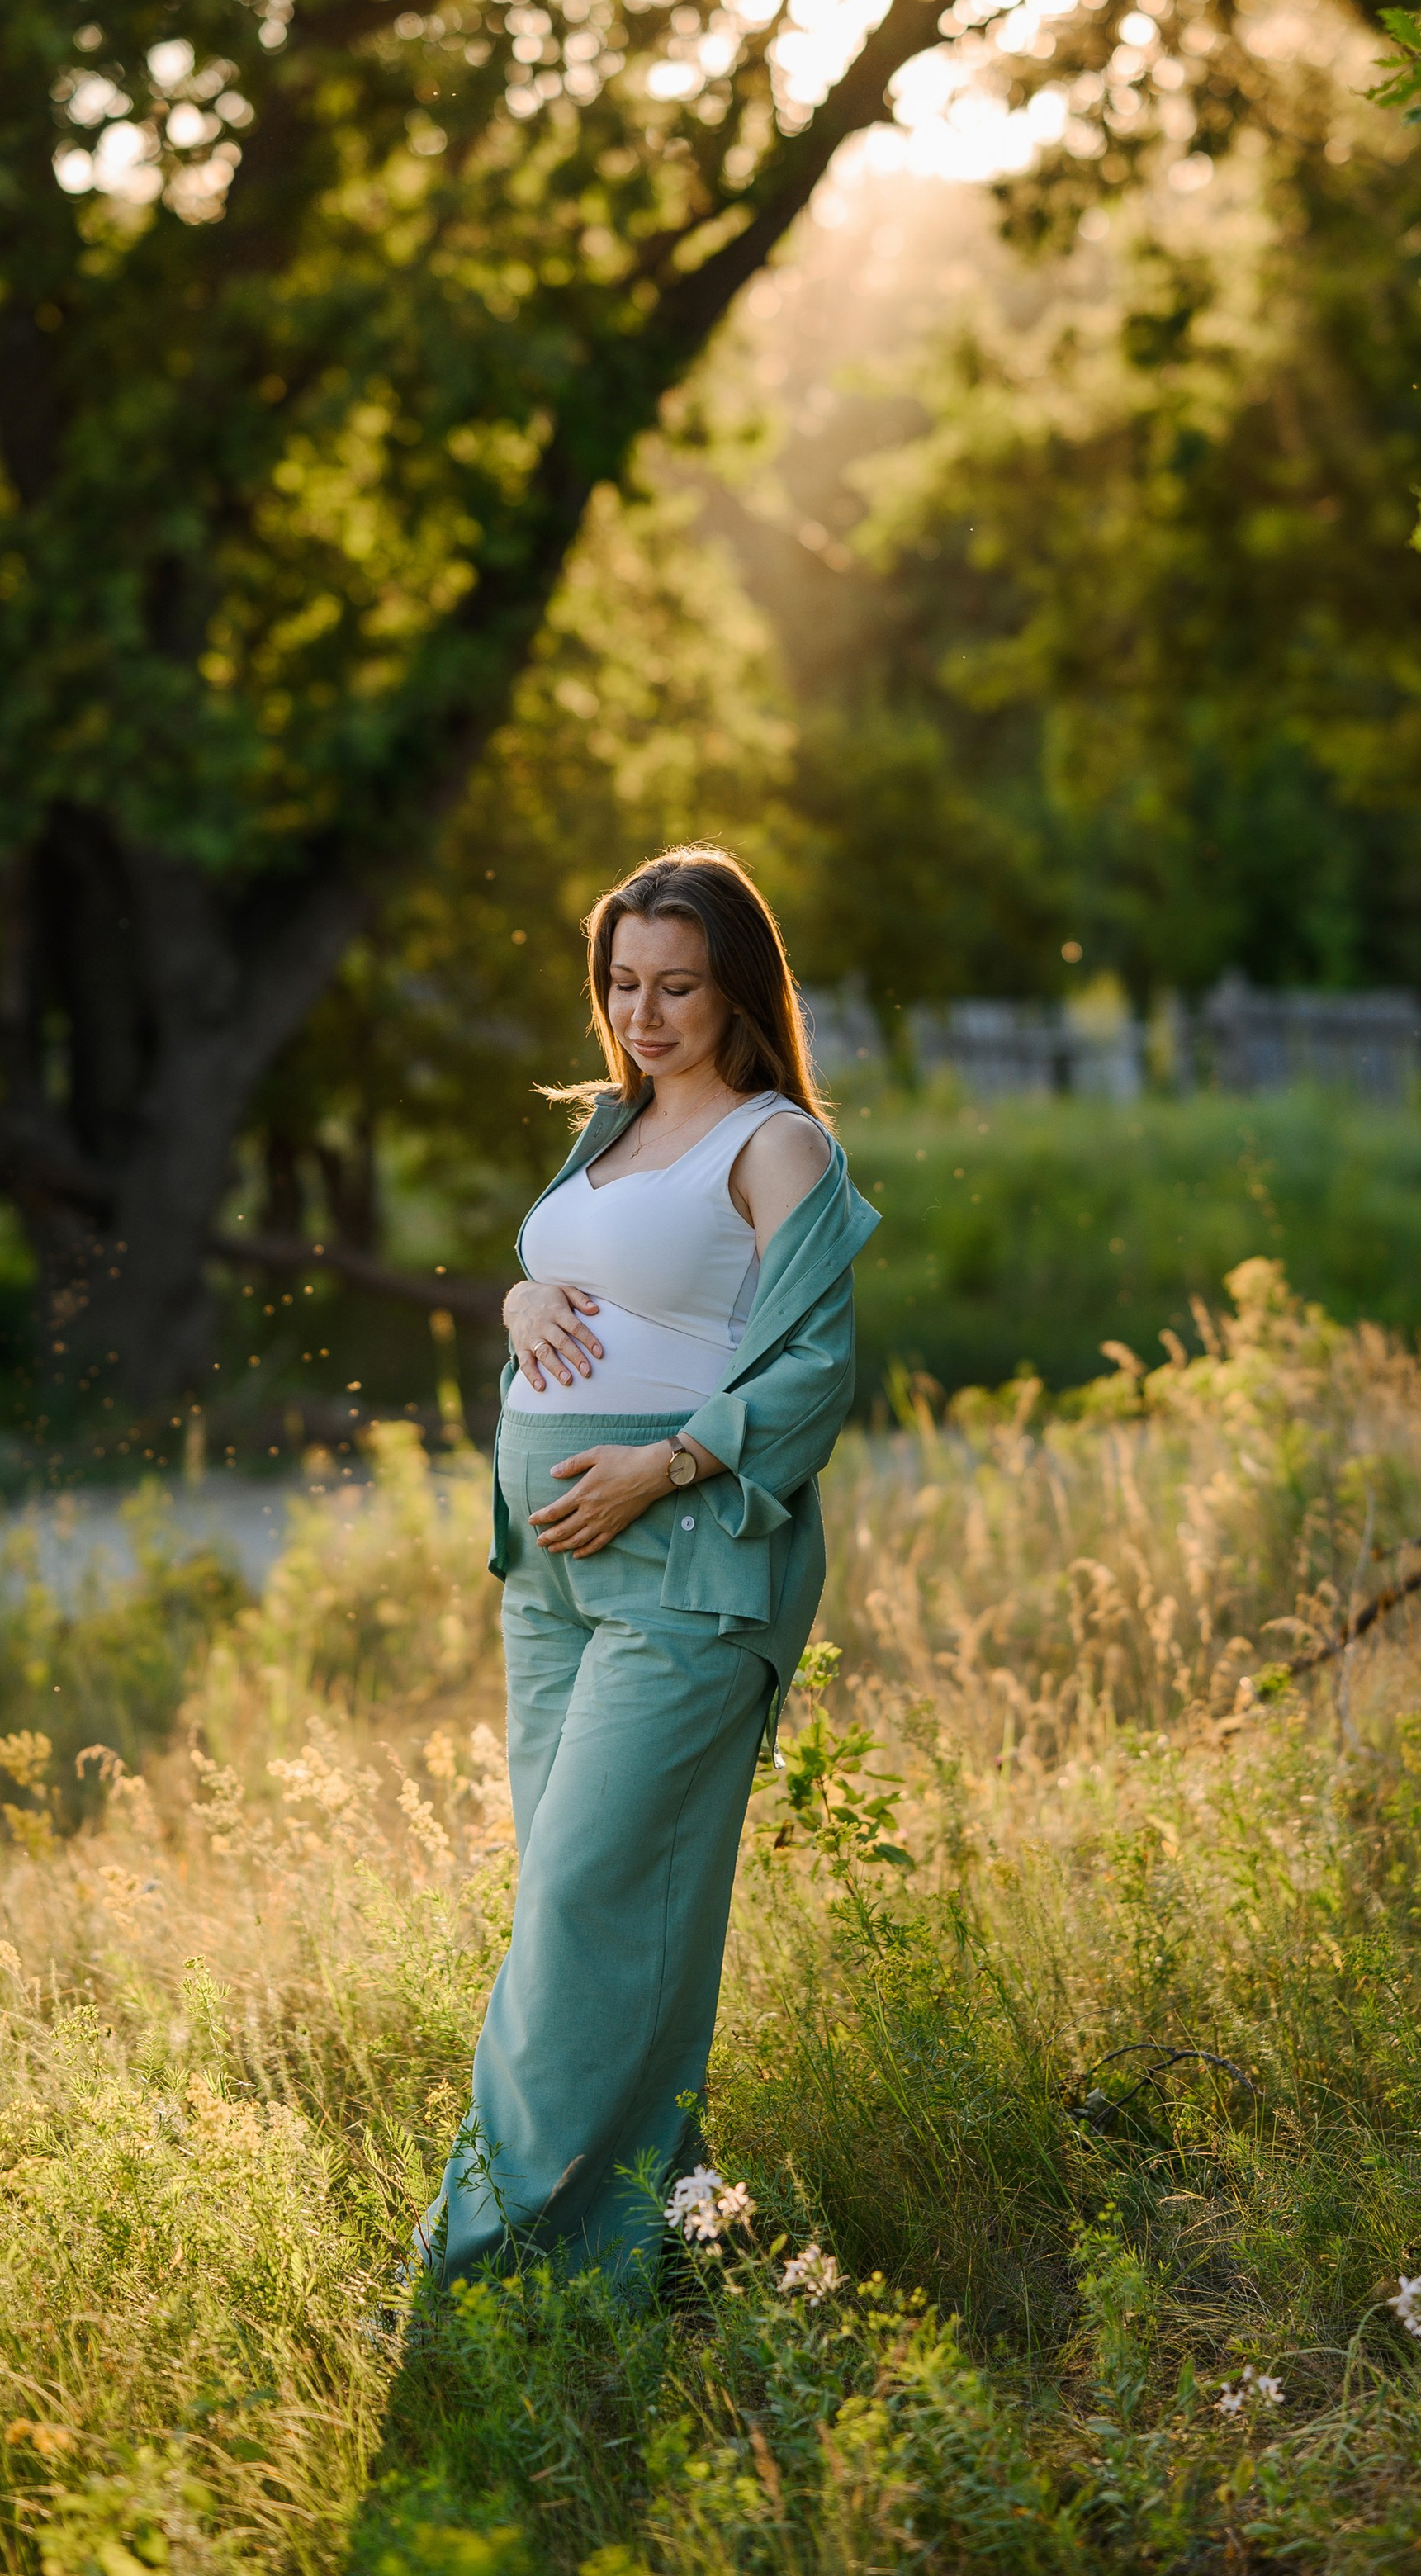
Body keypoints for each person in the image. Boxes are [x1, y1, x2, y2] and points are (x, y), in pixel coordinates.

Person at [414, 844, 879, 2290]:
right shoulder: (609, 1131)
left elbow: (814, 1368)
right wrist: (520, 1289)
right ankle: (650, 2248)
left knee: (581, 1906)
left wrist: (663, 1464)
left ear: (740, 988)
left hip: (686, 1561)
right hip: (551, 1576)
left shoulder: (774, 1142)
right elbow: (584, 1272)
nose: (645, 1014)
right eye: (624, 985)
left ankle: (483, 2271)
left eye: (678, 986)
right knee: (590, 1902)